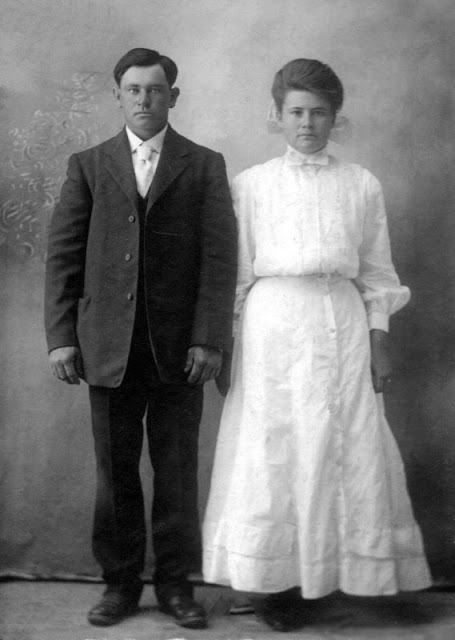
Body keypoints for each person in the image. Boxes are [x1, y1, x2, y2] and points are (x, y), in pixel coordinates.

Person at [203, 58, 432, 631]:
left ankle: (337, 574)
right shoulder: (251, 185)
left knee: (341, 443)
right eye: (297, 113)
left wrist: (379, 339)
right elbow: (237, 276)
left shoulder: (361, 184)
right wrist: (227, 346)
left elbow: (377, 273)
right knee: (276, 445)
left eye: (319, 113)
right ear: (277, 116)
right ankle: (275, 584)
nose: (307, 124)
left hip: (342, 326)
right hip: (272, 328)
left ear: (336, 118)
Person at [44, 47, 237, 630]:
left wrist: (208, 338)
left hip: (179, 352)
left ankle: (176, 585)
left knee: (176, 473)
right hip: (107, 347)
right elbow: (64, 255)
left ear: (172, 97)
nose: (144, 100)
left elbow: (219, 260)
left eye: (155, 90)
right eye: (133, 90)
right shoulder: (88, 165)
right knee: (116, 474)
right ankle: (120, 584)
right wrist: (61, 337)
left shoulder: (203, 164)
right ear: (118, 96)